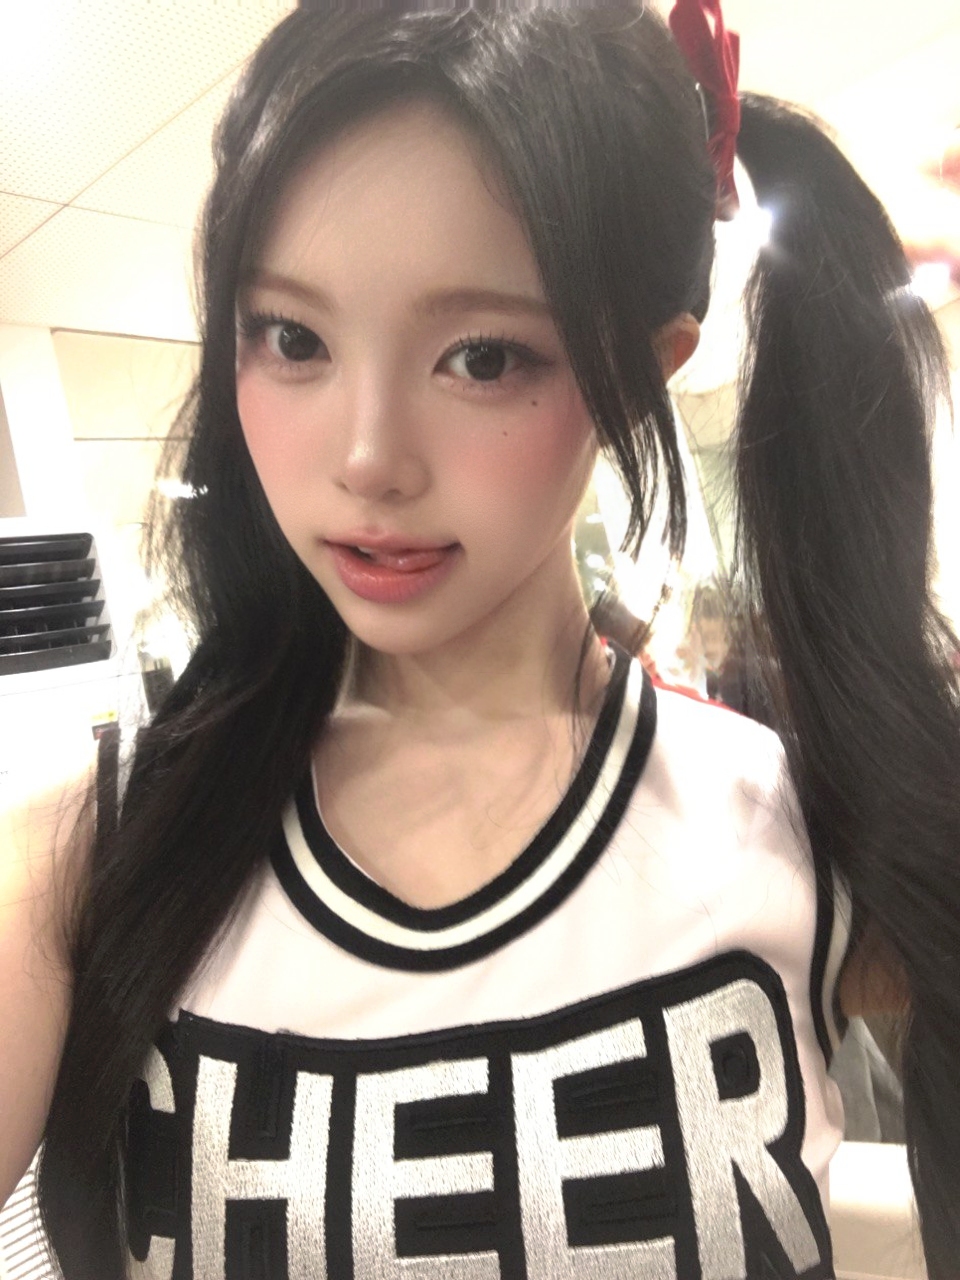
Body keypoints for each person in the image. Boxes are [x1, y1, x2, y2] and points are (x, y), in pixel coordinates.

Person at [2, 2, 958, 1277]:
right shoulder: (89, 849)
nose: (368, 458)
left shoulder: (795, 812)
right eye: (293, 338)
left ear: (640, 375)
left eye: (485, 356)